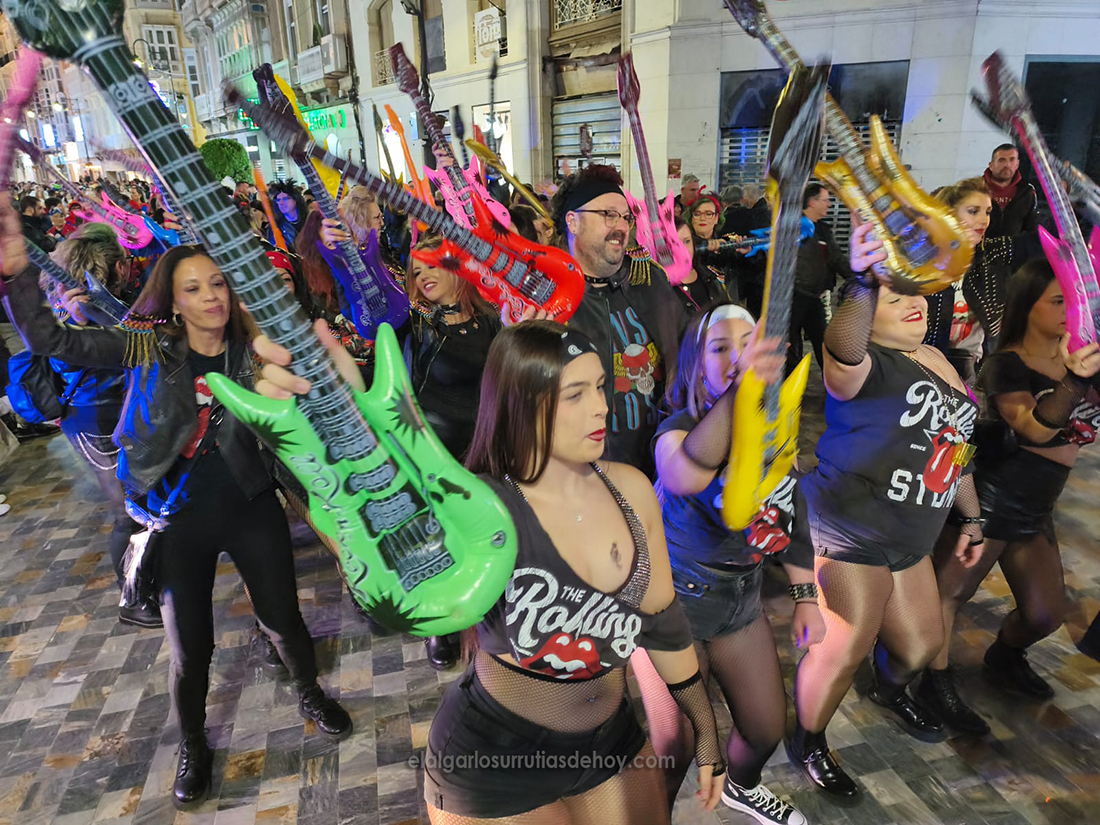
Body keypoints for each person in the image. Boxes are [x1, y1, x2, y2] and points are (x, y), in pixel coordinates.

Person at [253, 318, 726, 823]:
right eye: (575, 394)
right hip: (492, 760)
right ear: (524, 404)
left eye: (600, 387)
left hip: (609, 741)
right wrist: (352, 448)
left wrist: (706, 732)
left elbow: (665, 627)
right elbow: (396, 576)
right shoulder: (480, 508)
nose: (601, 407)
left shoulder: (630, 490)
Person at [0, 207, 351, 809]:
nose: (211, 296)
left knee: (284, 621)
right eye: (193, 288)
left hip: (249, 504)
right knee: (191, 650)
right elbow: (53, 341)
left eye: (217, 283)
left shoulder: (254, 350)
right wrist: (17, 278)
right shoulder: (146, 347)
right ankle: (194, 741)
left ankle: (310, 692)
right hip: (176, 516)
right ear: (174, 301)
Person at [786, 221, 985, 802]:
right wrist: (863, 283)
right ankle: (808, 740)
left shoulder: (939, 360)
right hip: (848, 529)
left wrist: (972, 517)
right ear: (867, 314)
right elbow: (841, 346)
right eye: (892, 298)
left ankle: (888, 688)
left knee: (920, 648)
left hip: (911, 535)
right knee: (844, 648)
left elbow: (957, 448)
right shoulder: (862, 362)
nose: (912, 304)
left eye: (913, 294)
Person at [634, 303, 819, 824]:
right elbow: (684, 473)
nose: (738, 357)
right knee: (676, 744)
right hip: (673, 603)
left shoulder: (773, 431)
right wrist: (744, 387)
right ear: (696, 368)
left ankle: (742, 787)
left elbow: (788, 512)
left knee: (765, 728)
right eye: (721, 348)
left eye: (747, 346)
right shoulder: (678, 427)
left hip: (740, 600)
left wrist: (806, 598)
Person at [924, 261, 1100, 734]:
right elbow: (1033, 429)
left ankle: (1004, 657)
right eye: (1058, 301)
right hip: (993, 497)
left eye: (1074, 301)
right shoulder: (1007, 363)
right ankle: (931, 683)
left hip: (1038, 505)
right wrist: (1075, 379)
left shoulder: (1087, 357)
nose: (1070, 310)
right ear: (1028, 306)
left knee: (1046, 614)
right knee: (947, 594)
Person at [551, 164, 686, 479]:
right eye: (609, 215)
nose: (622, 226)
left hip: (659, 461)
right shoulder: (549, 296)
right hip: (585, 471)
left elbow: (686, 351)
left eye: (626, 217)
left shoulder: (648, 280)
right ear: (573, 221)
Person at [46, 223, 151, 625]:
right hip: (94, 419)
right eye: (125, 260)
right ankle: (132, 599)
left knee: (144, 505)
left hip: (119, 413)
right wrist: (80, 322)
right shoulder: (70, 308)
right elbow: (67, 359)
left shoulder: (105, 301)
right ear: (116, 265)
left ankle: (150, 582)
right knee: (128, 511)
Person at [924, 177, 1043, 382]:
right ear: (947, 214)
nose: (983, 220)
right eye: (973, 211)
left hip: (971, 369)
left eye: (987, 212)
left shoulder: (992, 253)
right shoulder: (921, 261)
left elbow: (1043, 240)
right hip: (923, 364)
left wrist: (1065, 202)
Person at [790, 183, 849, 375]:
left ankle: (834, 382)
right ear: (812, 202)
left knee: (823, 343)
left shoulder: (823, 229)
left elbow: (835, 258)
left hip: (814, 297)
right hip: (793, 297)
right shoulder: (793, 227)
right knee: (789, 345)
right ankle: (785, 385)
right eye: (825, 200)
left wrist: (858, 276)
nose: (829, 204)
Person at [672, 217, 731, 315]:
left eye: (687, 241)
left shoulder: (710, 275)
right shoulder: (659, 286)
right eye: (675, 243)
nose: (684, 250)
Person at [983, 144, 1038, 240]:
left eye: (1012, 160)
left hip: (1015, 248)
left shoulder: (1027, 192)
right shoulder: (976, 189)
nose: (1007, 165)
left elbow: (1031, 229)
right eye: (1001, 160)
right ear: (991, 165)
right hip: (980, 247)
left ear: (1017, 164)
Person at [266, 180, 308, 248]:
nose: (281, 203)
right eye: (278, 200)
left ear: (295, 200)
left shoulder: (309, 220)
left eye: (285, 199)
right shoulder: (275, 226)